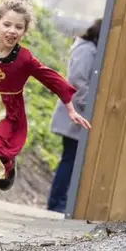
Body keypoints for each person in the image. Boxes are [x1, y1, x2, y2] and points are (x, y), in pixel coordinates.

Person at [0, 0, 93, 236]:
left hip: (8, 115)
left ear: (25, 31)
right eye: (7, 24)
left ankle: (6, 163)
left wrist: (69, 104)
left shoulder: (24, 58)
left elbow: (49, 76)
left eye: (18, 27)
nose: (12, 30)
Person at [47, 19, 100, 213]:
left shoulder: (87, 48)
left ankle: (61, 201)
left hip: (77, 115)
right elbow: (77, 82)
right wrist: (92, 107)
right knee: (70, 158)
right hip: (75, 115)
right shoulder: (87, 50)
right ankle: (57, 203)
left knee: (72, 159)